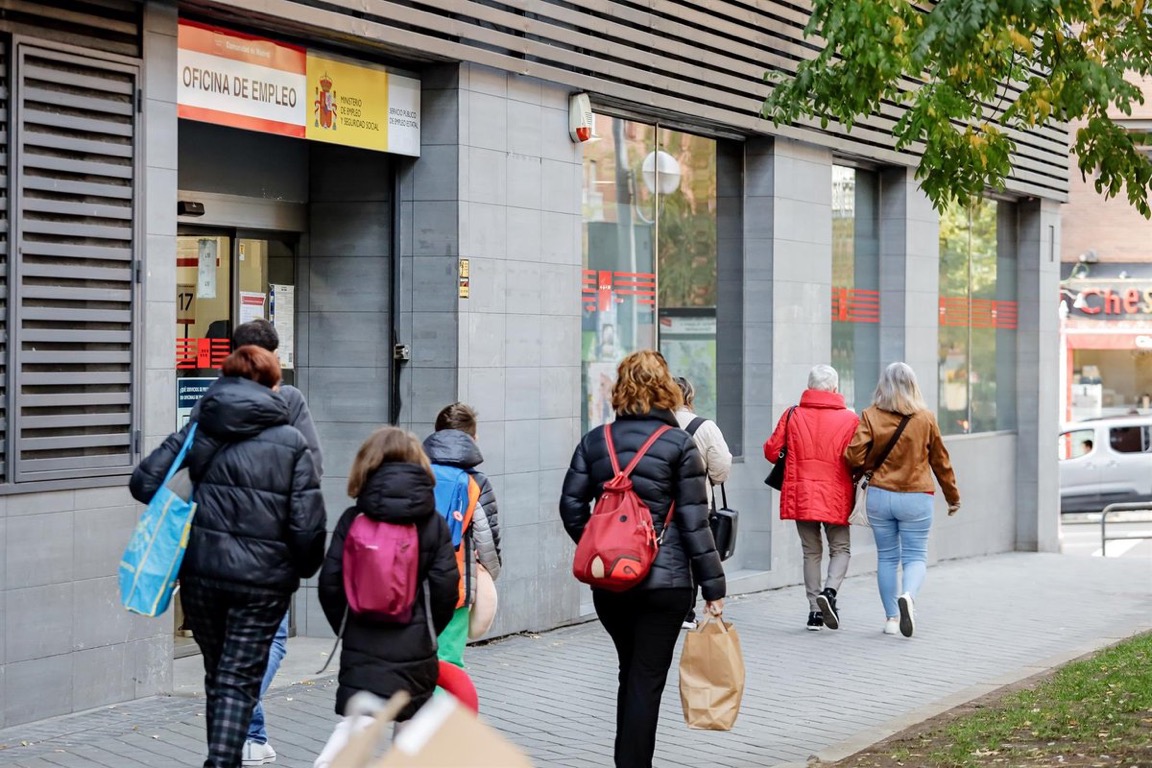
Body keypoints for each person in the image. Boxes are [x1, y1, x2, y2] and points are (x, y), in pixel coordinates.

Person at [130, 346, 327, 768]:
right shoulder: (291, 441)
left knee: (220, 676)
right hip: (262, 583)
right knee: (236, 680)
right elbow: (308, 524)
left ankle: (226, 759)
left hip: (203, 576)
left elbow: (144, 483)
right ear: (274, 385)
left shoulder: (202, 427)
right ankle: (221, 762)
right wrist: (302, 567)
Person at [560, 349, 726, 768]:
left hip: (611, 584)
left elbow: (570, 506)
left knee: (630, 671)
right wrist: (714, 587)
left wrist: (602, 545)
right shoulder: (679, 445)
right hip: (665, 584)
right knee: (645, 679)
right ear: (665, 388)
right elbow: (694, 521)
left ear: (622, 389)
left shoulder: (596, 441)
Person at [313, 428, 458, 768]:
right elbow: (446, 586)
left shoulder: (354, 519)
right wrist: (428, 628)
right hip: (416, 646)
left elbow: (330, 584)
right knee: (410, 736)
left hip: (363, 642)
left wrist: (348, 627)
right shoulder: (432, 523)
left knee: (359, 721)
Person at [228, 319, 324, 766]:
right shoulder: (288, 401)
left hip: (218, 546)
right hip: (269, 545)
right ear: (274, 357)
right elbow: (312, 469)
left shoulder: (212, 403)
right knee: (274, 639)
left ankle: (252, 736)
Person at [844, 362, 960, 639]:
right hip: (916, 496)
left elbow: (853, 456)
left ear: (883, 385)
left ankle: (891, 619)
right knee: (915, 556)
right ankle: (908, 595)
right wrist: (952, 497)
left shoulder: (871, 415)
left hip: (881, 495)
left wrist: (870, 466)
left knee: (886, 557)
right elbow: (941, 462)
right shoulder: (926, 418)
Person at [764, 365, 859, 631]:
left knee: (811, 551)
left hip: (801, 492)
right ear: (835, 389)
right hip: (836, 494)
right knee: (840, 549)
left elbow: (772, 453)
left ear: (809, 386)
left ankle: (814, 613)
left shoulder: (792, 414)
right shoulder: (851, 420)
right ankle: (829, 593)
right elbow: (858, 459)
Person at [422, 403, 503, 668]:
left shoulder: (413, 474)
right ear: (473, 438)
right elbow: (486, 540)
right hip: (455, 587)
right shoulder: (475, 482)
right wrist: (490, 573)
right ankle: (442, 707)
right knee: (447, 662)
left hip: (410, 585)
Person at [673, 375, 732, 628]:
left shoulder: (654, 425)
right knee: (695, 554)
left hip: (660, 506)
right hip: (698, 503)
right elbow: (721, 466)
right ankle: (686, 612)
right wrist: (711, 480)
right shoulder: (705, 427)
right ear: (690, 397)